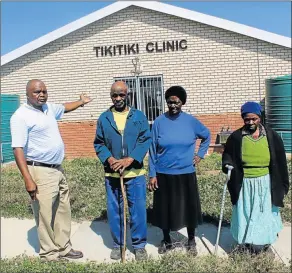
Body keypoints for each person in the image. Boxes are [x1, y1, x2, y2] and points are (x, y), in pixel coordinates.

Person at [10, 79, 93, 262]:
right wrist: (28, 179)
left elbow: (64, 107)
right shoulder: (20, 116)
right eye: (37, 92)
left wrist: (80, 102)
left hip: (57, 170)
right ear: (28, 94)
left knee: (63, 210)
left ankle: (63, 248)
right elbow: (17, 149)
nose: (42, 95)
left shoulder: (47, 108)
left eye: (44, 91)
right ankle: (49, 254)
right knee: (45, 213)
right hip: (39, 171)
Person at [148, 86, 211, 255]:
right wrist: (152, 174)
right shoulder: (159, 122)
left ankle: (191, 240)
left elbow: (207, 136)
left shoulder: (191, 121)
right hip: (164, 173)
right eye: (169, 102)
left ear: (182, 102)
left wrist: (200, 155)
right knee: (164, 209)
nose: (173, 105)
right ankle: (166, 240)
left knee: (189, 208)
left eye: (176, 102)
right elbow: (152, 149)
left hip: (185, 173)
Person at [93, 81, 151, 261]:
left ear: (128, 95)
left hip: (135, 173)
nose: (118, 98)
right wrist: (110, 159)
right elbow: (99, 143)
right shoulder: (104, 118)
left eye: (121, 95)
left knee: (138, 210)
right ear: (111, 96)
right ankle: (118, 245)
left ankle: (139, 245)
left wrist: (130, 159)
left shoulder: (139, 116)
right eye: (114, 95)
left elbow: (145, 139)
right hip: (113, 173)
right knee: (115, 209)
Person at [222, 101, 289, 254]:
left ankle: (264, 244)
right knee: (245, 212)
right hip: (244, 182)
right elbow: (227, 155)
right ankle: (246, 243)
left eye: (254, 119)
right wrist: (227, 164)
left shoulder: (271, 135)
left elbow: (280, 161)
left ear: (260, 117)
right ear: (243, 119)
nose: (251, 122)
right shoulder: (236, 137)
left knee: (264, 213)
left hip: (266, 182)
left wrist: (282, 184)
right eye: (247, 119)